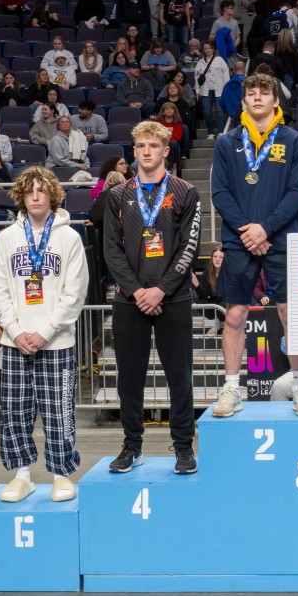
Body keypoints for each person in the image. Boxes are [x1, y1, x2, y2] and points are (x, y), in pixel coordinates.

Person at [209, 73, 298, 418]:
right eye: (251, 93)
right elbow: (219, 193)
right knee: (235, 314)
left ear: (275, 101)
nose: (257, 97)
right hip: (239, 240)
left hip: (281, 238)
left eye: (264, 92)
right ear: (242, 102)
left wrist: (265, 229)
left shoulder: (294, 141)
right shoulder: (227, 143)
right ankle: (231, 388)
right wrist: (248, 231)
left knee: (289, 313)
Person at [103, 121, 201, 475]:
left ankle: (183, 447)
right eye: (141, 146)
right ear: (134, 151)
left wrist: (161, 289)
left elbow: (190, 246)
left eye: (153, 146)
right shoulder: (117, 195)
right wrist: (137, 290)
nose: (147, 151)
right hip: (130, 300)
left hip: (173, 298)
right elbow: (111, 250)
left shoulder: (186, 191)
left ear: (165, 151)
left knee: (180, 377)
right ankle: (132, 445)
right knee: (129, 379)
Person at [0, 167, 88, 504]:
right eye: (29, 191)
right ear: (20, 195)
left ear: (52, 195)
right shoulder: (6, 238)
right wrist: (16, 332)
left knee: (59, 410)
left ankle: (61, 475)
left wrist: (45, 332)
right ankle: (22, 476)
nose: (34, 196)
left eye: (41, 190)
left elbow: (75, 293)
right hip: (15, 343)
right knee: (15, 411)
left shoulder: (69, 237)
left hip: (57, 341)